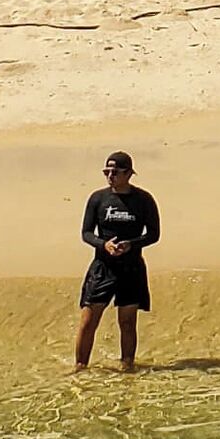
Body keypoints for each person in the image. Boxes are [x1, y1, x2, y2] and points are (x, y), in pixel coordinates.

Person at [74, 150, 160, 372]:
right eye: (106, 171)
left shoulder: (143, 200)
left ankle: (127, 365)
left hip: (131, 269)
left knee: (128, 322)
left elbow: (153, 234)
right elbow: (86, 233)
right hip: (103, 267)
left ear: (129, 173)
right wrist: (104, 244)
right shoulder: (98, 198)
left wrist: (131, 244)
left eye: (115, 171)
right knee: (88, 320)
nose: (110, 175)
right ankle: (80, 367)